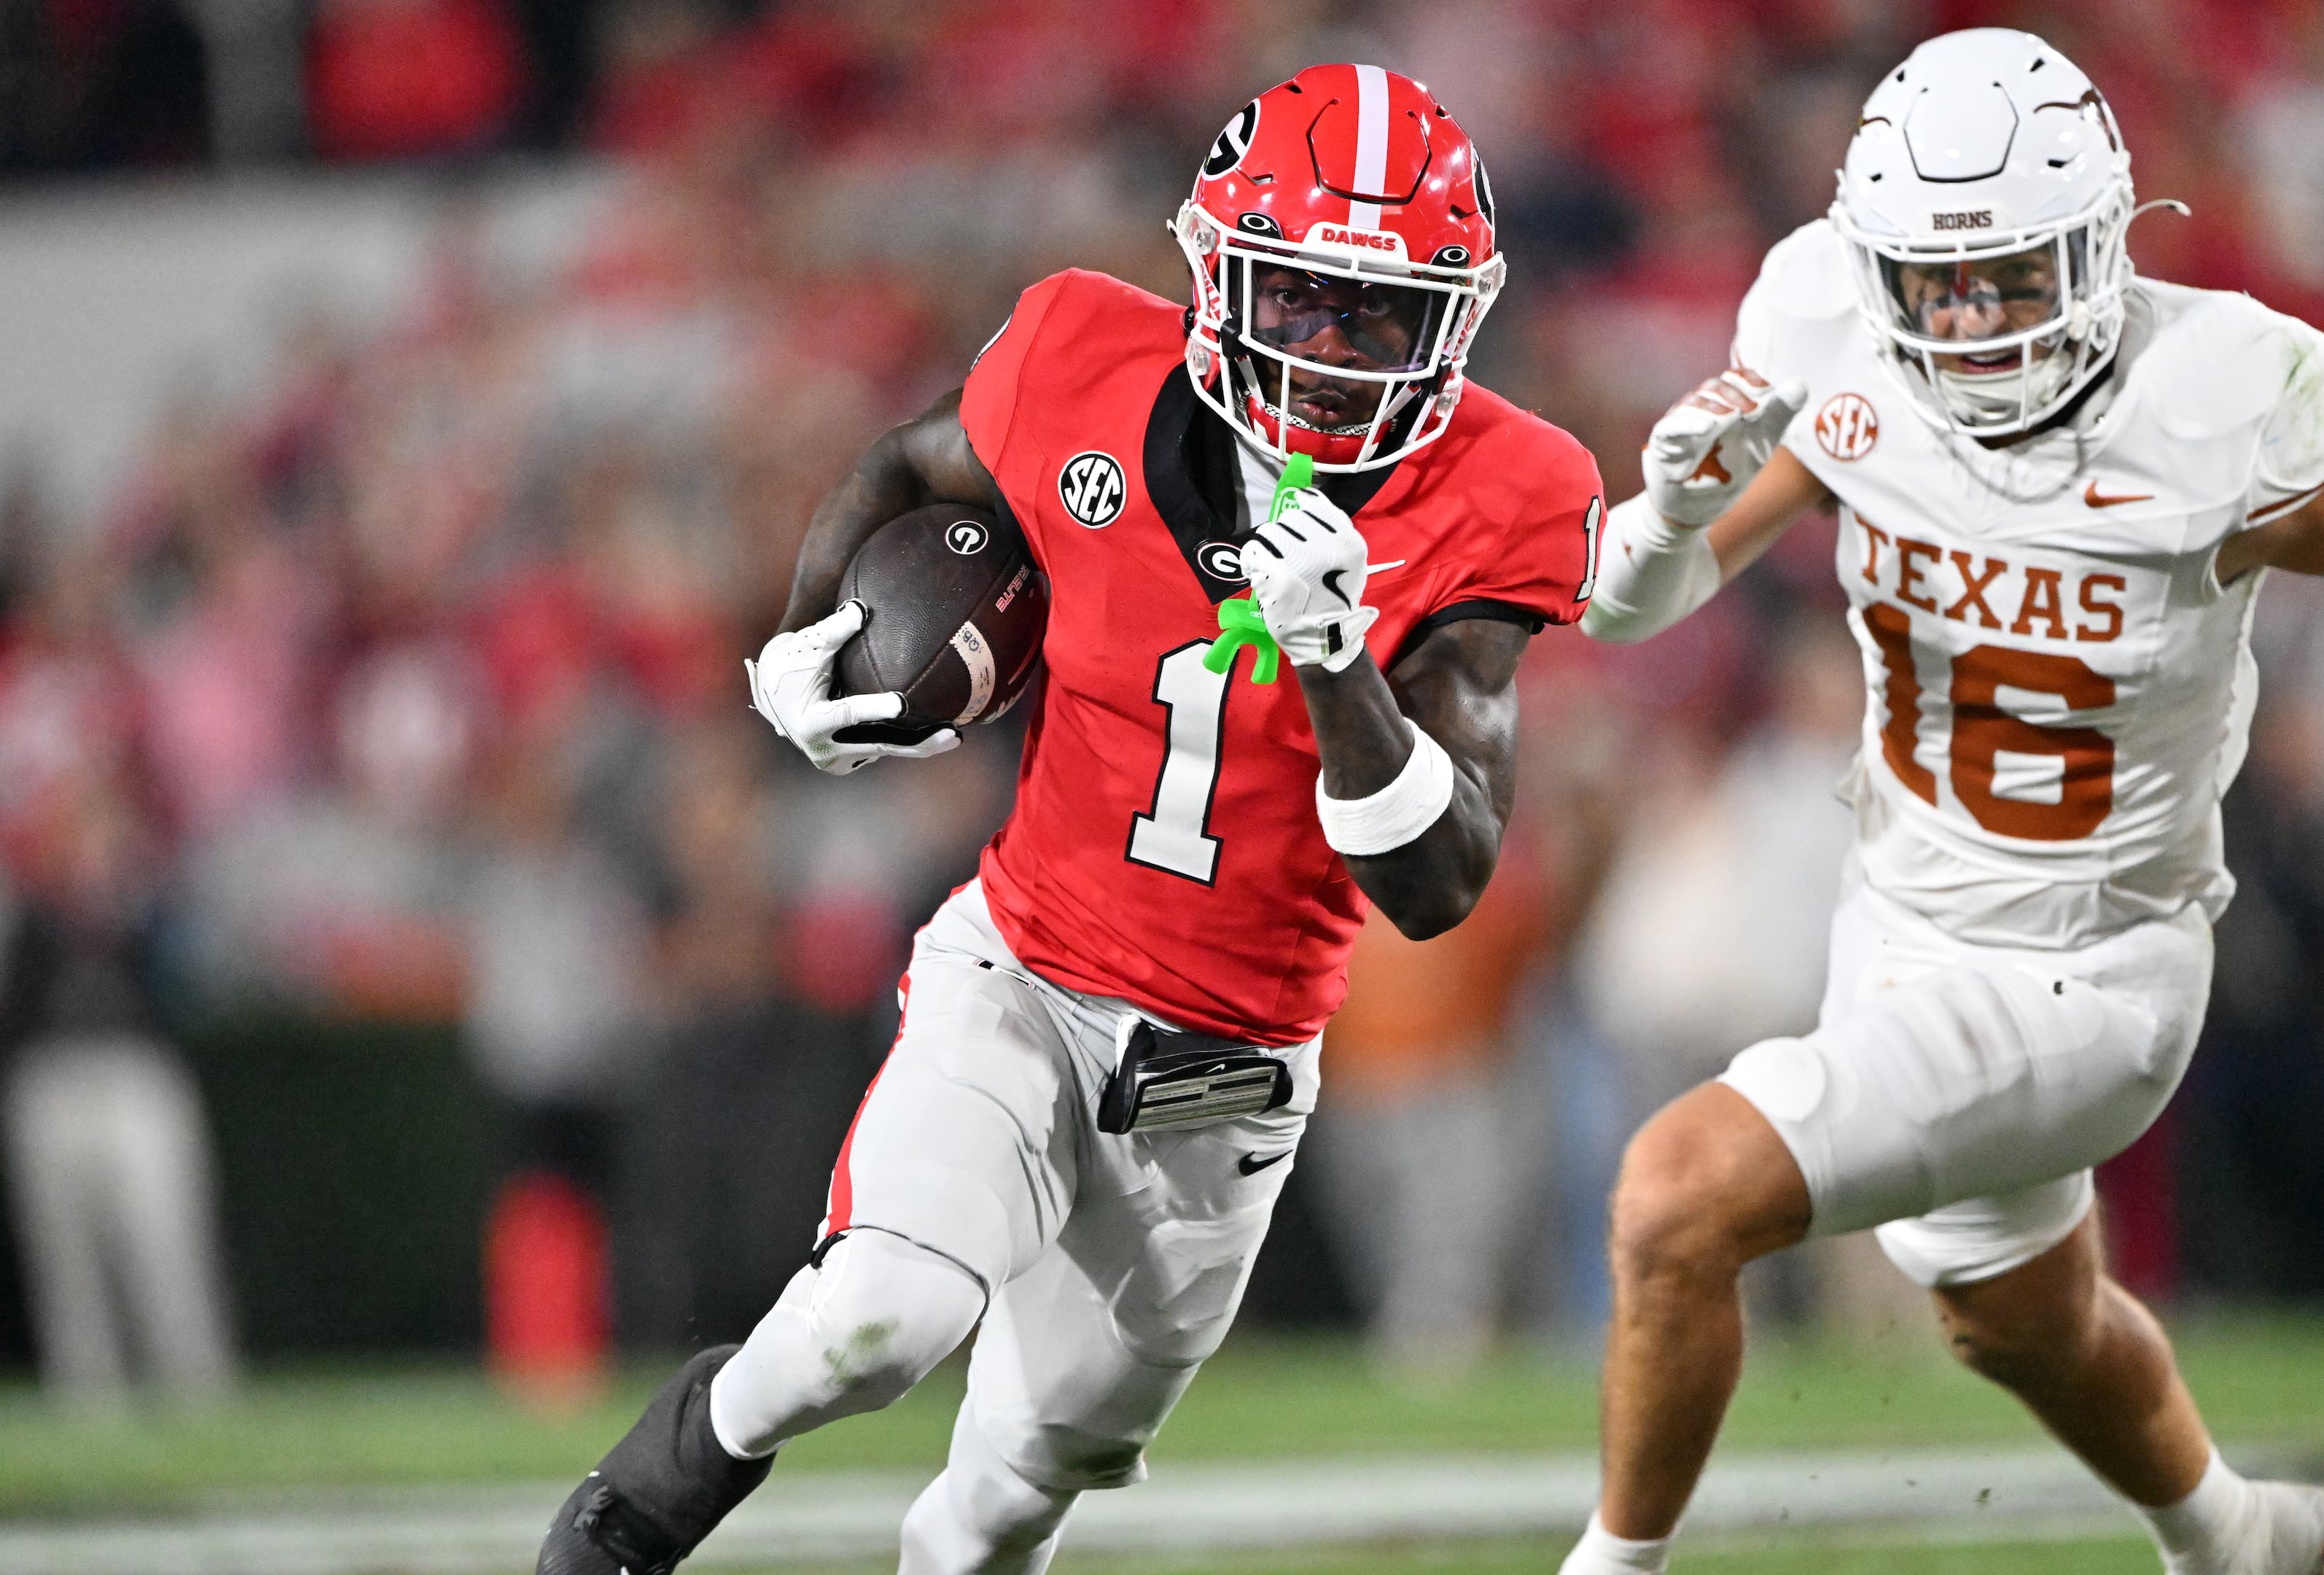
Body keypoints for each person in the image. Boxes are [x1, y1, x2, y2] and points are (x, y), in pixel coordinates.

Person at [536, 63, 1603, 1575]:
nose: (1330, 352)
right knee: (877, 1319)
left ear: (1453, 323)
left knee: (1009, 1495)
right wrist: (800, 636)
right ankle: (624, 1521)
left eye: (1377, 316)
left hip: (1227, 1077)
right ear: (1218, 274)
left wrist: (1337, 663)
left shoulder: (1507, 490)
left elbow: (1439, 879)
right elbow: (911, 460)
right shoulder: (1080, 355)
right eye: (1296, 300)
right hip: (1027, 967)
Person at [1564, 29, 2324, 1575]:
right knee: (2016, 1317)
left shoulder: (2206, 401)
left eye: (2011, 276)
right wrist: (1662, 515)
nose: (1967, 324)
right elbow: (1627, 609)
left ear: (2098, 245)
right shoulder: (1837, 349)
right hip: (1895, 917)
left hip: (2097, 968)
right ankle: (2237, 1540)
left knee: (1674, 1200)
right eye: (1934, 286)